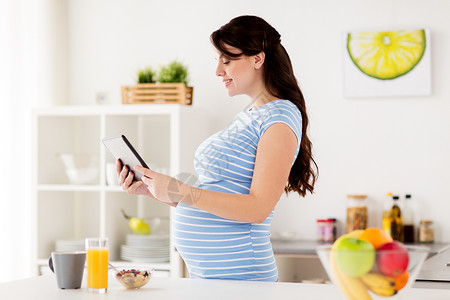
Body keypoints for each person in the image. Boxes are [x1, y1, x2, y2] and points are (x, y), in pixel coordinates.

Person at [117, 15, 318, 282]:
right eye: (218, 61)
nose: (218, 71)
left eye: (228, 60)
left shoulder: (279, 117)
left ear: (258, 59)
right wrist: (153, 190)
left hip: (244, 279)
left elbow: (258, 207)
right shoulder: (251, 114)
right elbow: (218, 197)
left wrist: (180, 189)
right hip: (214, 280)